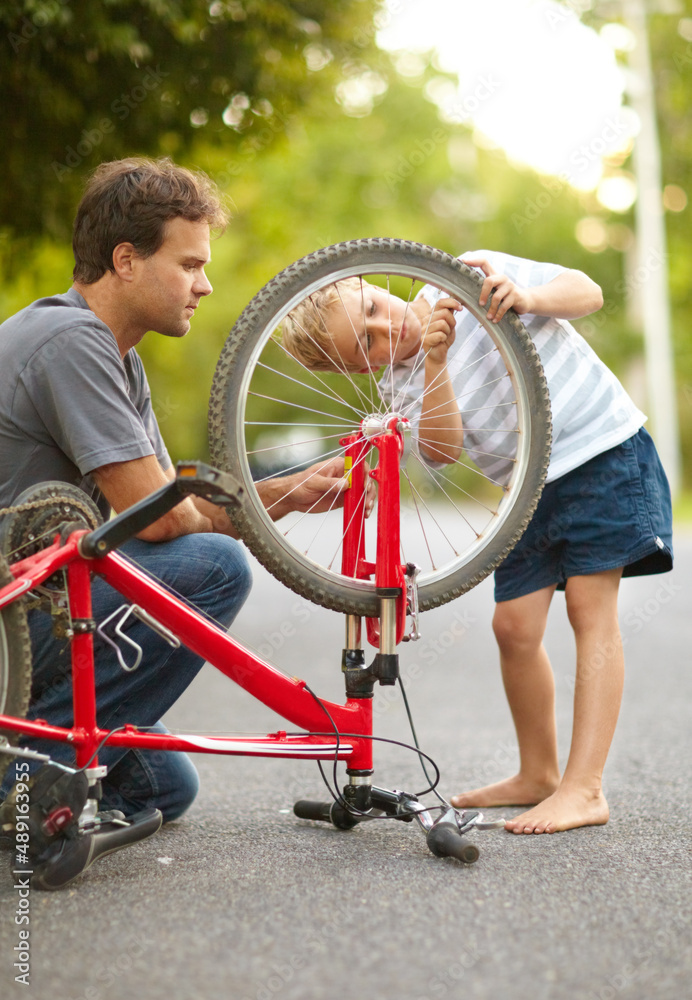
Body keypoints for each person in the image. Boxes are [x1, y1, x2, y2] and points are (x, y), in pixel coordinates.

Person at [0, 158, 354, 880]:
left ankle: (42, 759)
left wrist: (281, 492)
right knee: (213, 570)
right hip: (14, 621)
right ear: (125, 260)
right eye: (190, 263)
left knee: (166, 786)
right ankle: (24, 781)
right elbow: (162, 525)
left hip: (41, 601)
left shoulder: (116, 356)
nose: (206, 283)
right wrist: (273, 501)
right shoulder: (72, 344)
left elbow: (164, 499)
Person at [281, 248, 674, 836]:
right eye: (368, 345)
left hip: (599, 453)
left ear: (372, 283)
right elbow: (442, 450)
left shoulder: (470, 275)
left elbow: (586, 290)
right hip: (527, 489)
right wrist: (435, 363)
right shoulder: (401, 384)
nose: (386, 327)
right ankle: (538, 771)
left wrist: (530, 296)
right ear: (359, 371)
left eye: (373, 307)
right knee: (514, 629)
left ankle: (585, 787)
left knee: (590, 611)